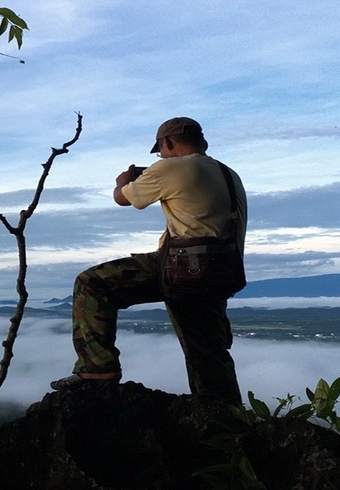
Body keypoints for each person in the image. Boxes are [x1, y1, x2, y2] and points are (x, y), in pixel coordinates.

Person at [50, 117, 248, 405]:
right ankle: (226, 416)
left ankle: (97, 370)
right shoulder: (229, 173)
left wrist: (123, 182)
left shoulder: (170, 167)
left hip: (183, 268)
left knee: (91, 284)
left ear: (167, 143)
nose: (161, 157)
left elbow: (122, 198)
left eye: (160, 152)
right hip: (222, 271)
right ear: (201, 140)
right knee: (207, 349)